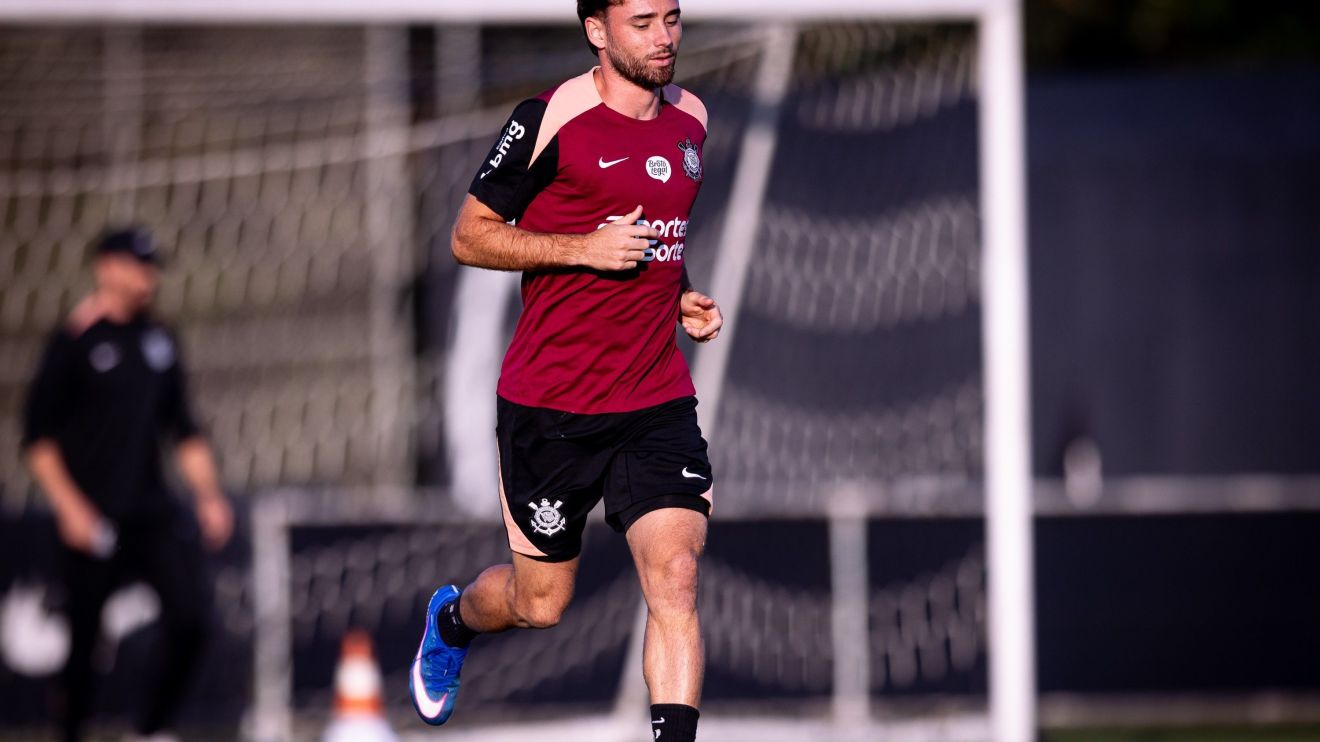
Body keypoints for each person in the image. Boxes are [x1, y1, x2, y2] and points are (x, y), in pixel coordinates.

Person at [409, 1, 723, 740]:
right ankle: (453, 621)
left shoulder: (692, 119)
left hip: (655, 399)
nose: (664, 37)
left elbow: (656, 237)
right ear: (597, 30)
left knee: (675, 577)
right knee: (539, 603)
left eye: (672, 18)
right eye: (642, 22)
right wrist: (581, 248)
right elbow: (470, 236)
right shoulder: (549, 117)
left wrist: (679, 297)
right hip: (551, 406)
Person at [22, 226, 234, 742]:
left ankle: (152, 729)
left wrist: (209, 496)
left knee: (192, 616)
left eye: (152, 266)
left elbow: (183, 428)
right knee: (83, 643)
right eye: (138, 264)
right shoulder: (74, 342)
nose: (149, 276)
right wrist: (70, 509)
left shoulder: (158, 340)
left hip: (151, 510)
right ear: (107, 267)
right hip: (91, 514)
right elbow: (39, 439)